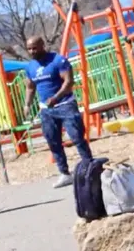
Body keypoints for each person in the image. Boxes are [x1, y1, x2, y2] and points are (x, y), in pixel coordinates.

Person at [23, 35, 92, 187]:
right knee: (53, 142)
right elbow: (30, 87)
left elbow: (69, 81)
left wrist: (56, 97)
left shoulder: (58, 60)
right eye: (29, 49)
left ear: (42, 45)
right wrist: (27, 104)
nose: (32, 51)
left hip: (65, 104)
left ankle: (90, 168)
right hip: (46, 110)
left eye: (35, 47)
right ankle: (64, 173)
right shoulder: (30, 67)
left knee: (77, 137)